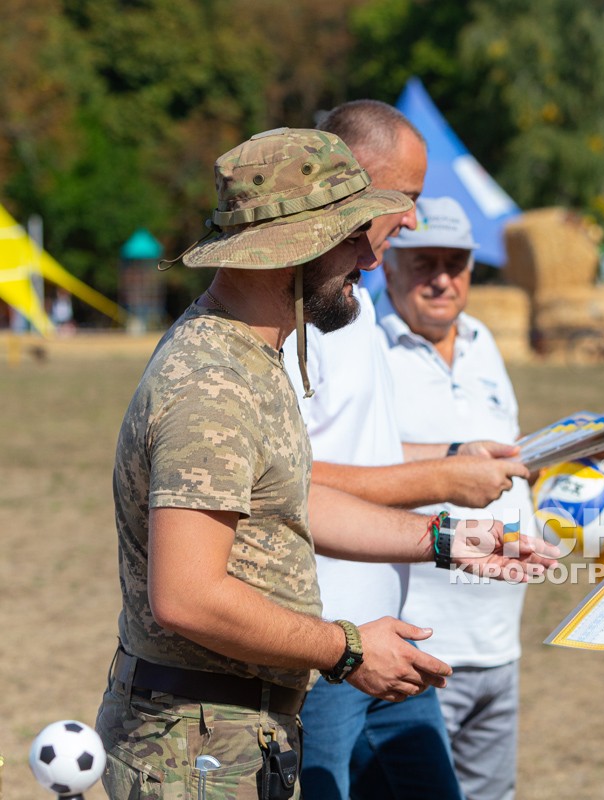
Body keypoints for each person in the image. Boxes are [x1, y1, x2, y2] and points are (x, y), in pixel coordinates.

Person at [96, 127, 554, 799]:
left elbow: (293, 498)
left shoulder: (256, 354)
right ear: (292, 248)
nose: (367, 261)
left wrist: (446, 538)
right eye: (347, 238)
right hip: (197, 754)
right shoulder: (211, 383)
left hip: (237, 733)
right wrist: (348, 648)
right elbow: (186, 595)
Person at [282, 100, 528, 800]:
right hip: (325, 645)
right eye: (410, 199)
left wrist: (458, 451)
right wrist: (442, 482)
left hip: (394, 641)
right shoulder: (297, 318)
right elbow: (290, 481)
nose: (416, 220)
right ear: (356, 183)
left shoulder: (350, 302)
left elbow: (368, 446)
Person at [378, 196, 533, 800]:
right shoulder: (363, 344)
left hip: (499, 643)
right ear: (389, 263)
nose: (442, 278)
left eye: (457, 262)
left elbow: (500, 458)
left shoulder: (483, 340)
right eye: (424, 262)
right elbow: (344, 468)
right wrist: (451, 458)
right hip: (418, 649)